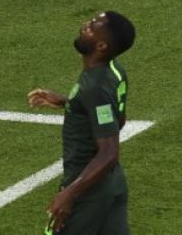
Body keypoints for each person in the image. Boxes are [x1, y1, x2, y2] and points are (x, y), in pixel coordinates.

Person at [27, 12, 136, 235]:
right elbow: (117, 119)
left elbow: (109, 152)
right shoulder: (114, 71)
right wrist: (71, 103)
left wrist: (69, 194)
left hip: (88, 191)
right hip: (112, 183)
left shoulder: (94, 87)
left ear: (101, 46)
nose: (85, 25)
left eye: (91, 28)